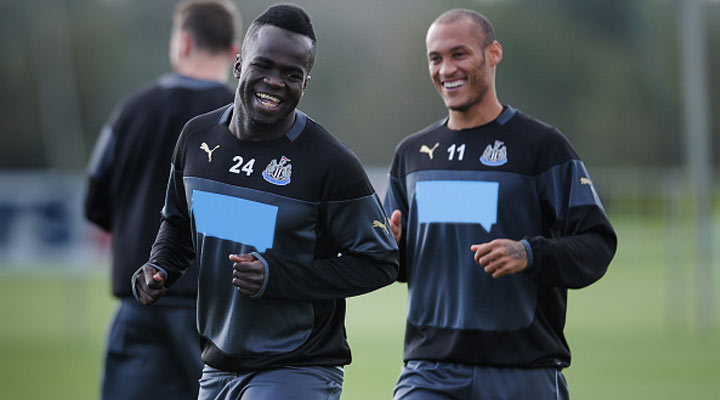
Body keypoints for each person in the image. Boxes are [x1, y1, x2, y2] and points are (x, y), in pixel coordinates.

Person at [132, 4, 399, 399]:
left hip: (298, 365)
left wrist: (280, 277)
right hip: (217, 365)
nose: (275, 81)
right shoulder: (195, 137)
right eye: (264, 65)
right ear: (239, 64)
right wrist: (160, 267)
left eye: (292, 74)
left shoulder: (330, 163)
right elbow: (178, 224)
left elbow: (381, 262)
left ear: (305, 84)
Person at [383, 9, 617, 400]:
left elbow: (597, 245)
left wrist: (529, 253)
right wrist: (388, 248)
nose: (446, 69)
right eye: (435, 58)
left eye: (460, 54)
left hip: (523, 370)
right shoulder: (412, 156)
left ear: (493, 53)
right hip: (429, 370)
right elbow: (402, 264)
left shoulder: (541, 147)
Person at [84, 1, 240, 398]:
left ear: (183, 42)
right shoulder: (240, 122)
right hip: (217, 311)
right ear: (236, 51)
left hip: (142, 302)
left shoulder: (131, 112)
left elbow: (95, 200)